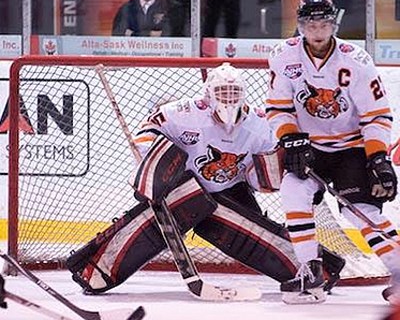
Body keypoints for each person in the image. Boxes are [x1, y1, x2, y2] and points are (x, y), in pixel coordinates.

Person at [65, 63, 344, 300]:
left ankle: (318, 268)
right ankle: (94, 268)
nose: (228, 98)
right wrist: (150, 163)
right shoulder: (184, 112)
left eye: (234, 92)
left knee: (254, 235)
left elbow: (283, 157)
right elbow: (147, 132)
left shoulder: (260, 123)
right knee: (164, 215)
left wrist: (301, 172)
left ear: (244, 95)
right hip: (181, 188)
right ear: (208, 94)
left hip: (232, 191)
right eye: (222, 92)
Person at [266, 0, 400, 304]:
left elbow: (376, 115)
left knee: (361, 212)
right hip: (309, 147)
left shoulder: (356, 60)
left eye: (323, 22)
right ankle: (311, 274)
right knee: (292, 191)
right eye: (310, 23)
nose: (316, 29)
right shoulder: (283, 57)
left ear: (332, 24)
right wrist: (290, 137)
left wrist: (378, 158)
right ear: (300, 25)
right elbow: (278, 108)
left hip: (350, 148)